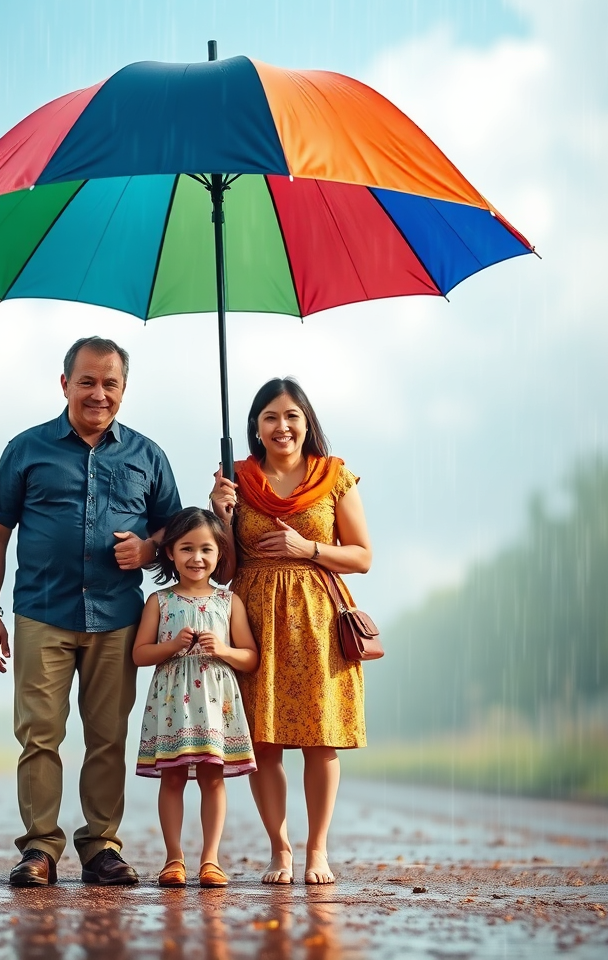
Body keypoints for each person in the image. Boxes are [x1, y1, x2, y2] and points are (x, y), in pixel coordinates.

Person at [0, 336, 181, 888]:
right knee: (39, 734)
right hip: (42, 612)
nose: (98, 393)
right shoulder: (26, 449)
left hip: (118, 618)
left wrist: (149, 549)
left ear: (124, 389)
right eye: (87, 381)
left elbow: (175, 531)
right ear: (65, 383)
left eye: (110, 383)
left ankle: (102, 848)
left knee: (108, 736)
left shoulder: (148, 456)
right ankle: (39, 848)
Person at [209, 377, 372, 886]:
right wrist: (220, 517)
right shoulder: (235, 479)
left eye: (291, 416)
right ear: (256, 427)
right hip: (253, 617)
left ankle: (317, 850)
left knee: (321, 739)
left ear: (306, 422)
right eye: (270, 417)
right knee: (264, 742)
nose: (282, 426)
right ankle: (279, 850)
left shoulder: (333, 476)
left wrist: (309, 549)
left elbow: (362, 556)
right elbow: (221, 570)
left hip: (319, 620)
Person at [132, 507, 258, 889]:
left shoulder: (229, 602)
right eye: (186, 548)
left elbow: (250, 657)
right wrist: (171, 646)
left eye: (206, 549)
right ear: (170, 552)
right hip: (173, 703)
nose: (196, 558)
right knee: (171, 779)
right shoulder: (159, 601)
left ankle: (210, 860)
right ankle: (173, 858)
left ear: (220, 552)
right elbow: (139, 654)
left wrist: (224, 649)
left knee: (212, 779)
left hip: (215, 706)